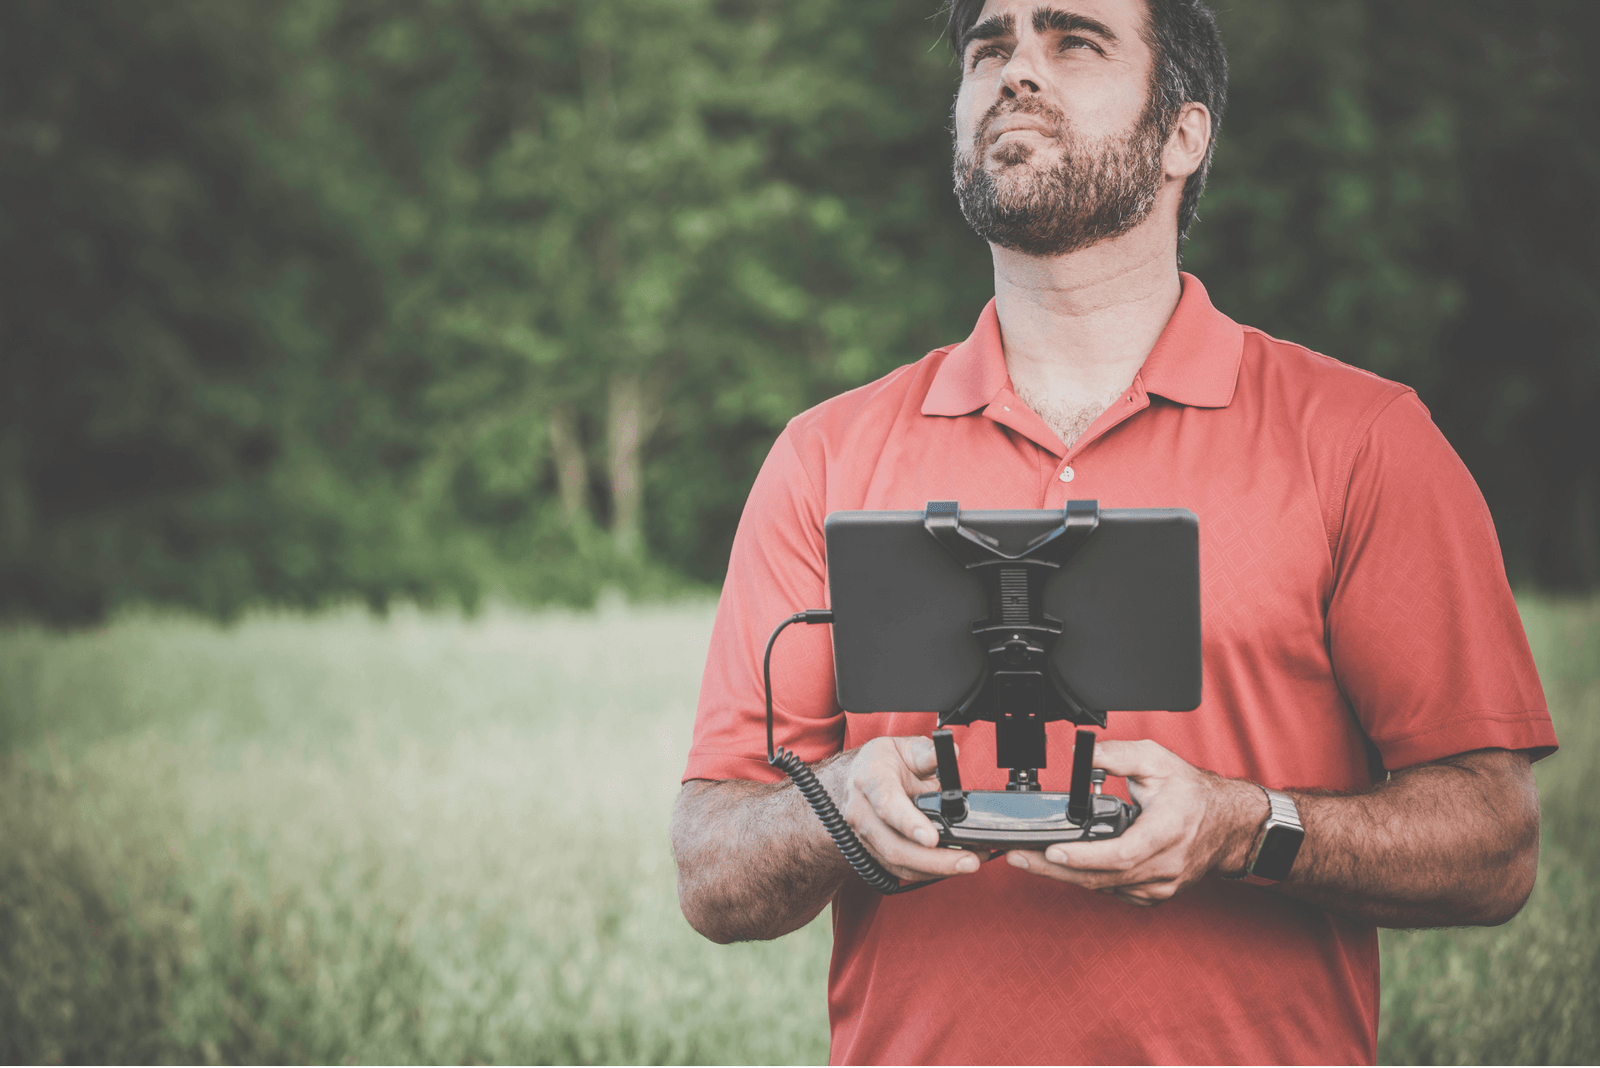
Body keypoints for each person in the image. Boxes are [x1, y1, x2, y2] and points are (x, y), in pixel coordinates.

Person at [671, 0, 1559, 1063]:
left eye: (1073, 40)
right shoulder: (822, 455)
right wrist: (839, 812)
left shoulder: (1361, 440)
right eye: (987, 46)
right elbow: (710, 872)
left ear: (1184, 135)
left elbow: (1494, 848)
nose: (1015, 70)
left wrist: (1240, 826)